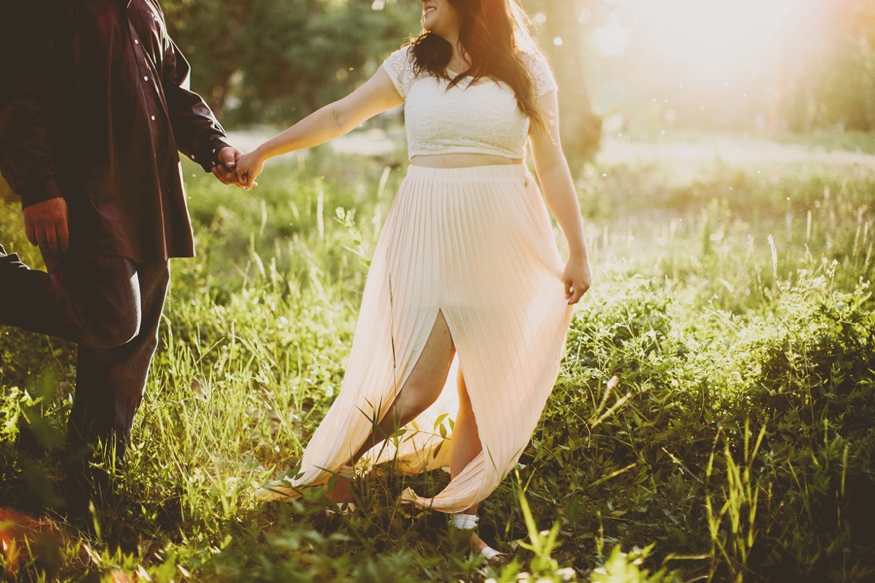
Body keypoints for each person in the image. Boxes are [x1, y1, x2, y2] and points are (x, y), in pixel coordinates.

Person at [236, 0, 592, 560]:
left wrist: (577, 250)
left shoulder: (527, 69)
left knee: (483, 392)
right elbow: (338, 117)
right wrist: (263, 151)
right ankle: (328, 473)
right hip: (427, 232)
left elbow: (550, 163)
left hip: (504, 238)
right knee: (419, 389)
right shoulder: (411, 64)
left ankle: (460, 528)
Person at [0, 0, 243, 511]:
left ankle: (91, 478)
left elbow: (173, 89)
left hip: (148, 193)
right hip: (84, 194)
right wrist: (39, 186)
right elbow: (17, 95)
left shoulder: (143, 6)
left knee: (130, 344)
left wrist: (212, 144)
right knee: (110, 316)